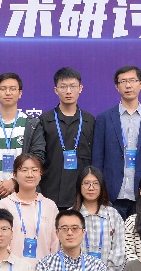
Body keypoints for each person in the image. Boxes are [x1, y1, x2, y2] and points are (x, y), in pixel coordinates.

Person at [93, 65, 141, 219]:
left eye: (132, 80)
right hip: (111, 195)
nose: (128, 85)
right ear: (116, 86)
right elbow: (97, 159)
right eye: (123, 81)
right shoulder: (104, 118)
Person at [33, 67, 96, 209]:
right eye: (63, 87)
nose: (68, 91)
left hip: (81, 195)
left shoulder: (89, 121)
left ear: (80, 88)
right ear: (56, 90)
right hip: (50, 193)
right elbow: (38, 157)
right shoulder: (44, 120)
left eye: (73, 86)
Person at [0, 72, 43, 212]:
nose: (8, 92)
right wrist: (0, 186)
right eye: (3, 89)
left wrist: (14, 182)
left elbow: (38, 157)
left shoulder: (32, 125)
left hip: (25, 193)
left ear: (20, 93)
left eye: (12, 89)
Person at [0, 154, 59, 259]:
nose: (30, 174)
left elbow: (55, 243)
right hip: (12, 267)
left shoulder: (50, 206)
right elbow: (1, 242)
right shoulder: (4, 205)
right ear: (14, 175)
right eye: (24, 170)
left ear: (40, 174)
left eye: (34, 170)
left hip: (43, 268)